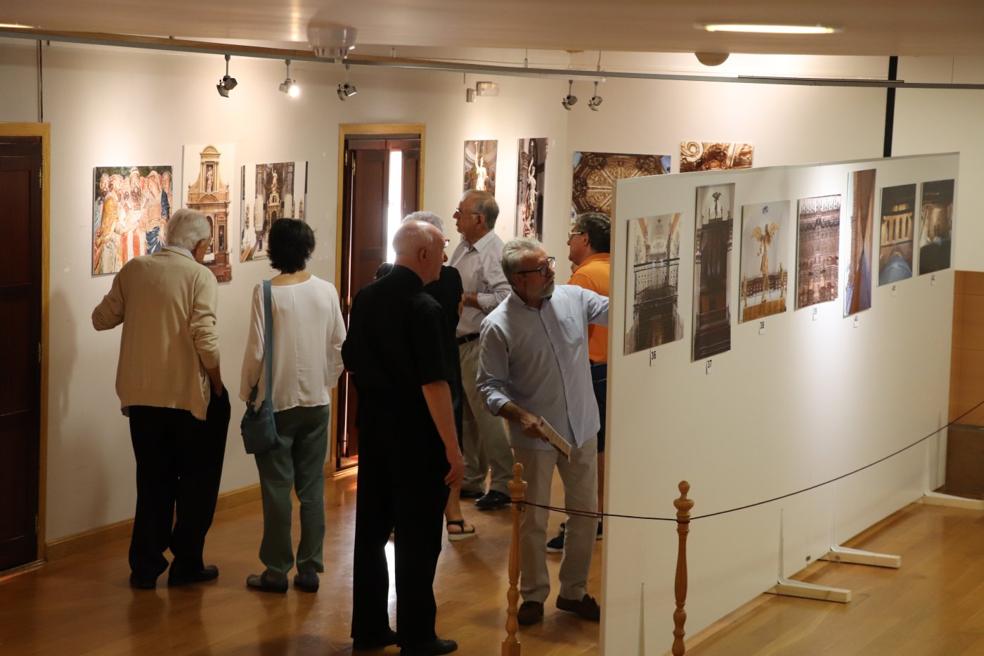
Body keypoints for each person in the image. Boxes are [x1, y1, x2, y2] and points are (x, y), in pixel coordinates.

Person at [343, 221, 465, 656]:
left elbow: (352, 361)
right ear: (425, 254)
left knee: (371, 534)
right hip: (418, 441)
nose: (446, 259)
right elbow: (434, 386)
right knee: (417, 539)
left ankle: (371, 628)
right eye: (443, 249)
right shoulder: (424, 308)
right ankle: (417, 634)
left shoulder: (366, 298)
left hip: (374, 436)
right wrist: (453, 449)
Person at [91, 208, 229, 590]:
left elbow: (101, 318)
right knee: (195, 482)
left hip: (141, 397)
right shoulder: (200, 276)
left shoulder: (136, 269)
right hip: (187, 397)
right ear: (199, 245)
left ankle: (145, 566)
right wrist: (217, 383)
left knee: (152, 481)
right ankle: (187, 562)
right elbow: (206, 336)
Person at [477, 238, 608, 626]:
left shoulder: (574, 298)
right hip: (536, 438)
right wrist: (520, 415)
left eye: (549, 263)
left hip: (582, 426)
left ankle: (574, 591)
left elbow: (618, 312)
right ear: (519, 279)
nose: (551, 271)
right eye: (541, 268)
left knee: (585, 514)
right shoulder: (498, 325)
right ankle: (533, 595)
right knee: (532, 519)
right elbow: (489, 387)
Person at [239, 218, 346, 594]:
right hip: (317, 401)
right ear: (308, 247)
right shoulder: (327, 291)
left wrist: (247, 392)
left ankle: (276, 569)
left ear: (273, 249)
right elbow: (339, 345)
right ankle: (310, 567)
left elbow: (256, 352)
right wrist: (325, 383)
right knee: (313, 488)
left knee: (276, 488)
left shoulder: (266, 293)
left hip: (277, 403)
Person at [405, 211, 476, 541]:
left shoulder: (449, 278)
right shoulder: (395, 278)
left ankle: (452, 508)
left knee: (451, 434)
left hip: (437, 363)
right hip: (433, 364)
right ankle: (450, 511)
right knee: (426, 434)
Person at [547, 212, 611, 553]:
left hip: (592, 371)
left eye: (573, 234)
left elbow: (571, 334)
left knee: (588, 452)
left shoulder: (584, 277)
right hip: (612, 370)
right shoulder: (616, 267)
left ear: (585, 239)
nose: (568, 241)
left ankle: (591, 518)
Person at [449, 190, 514, 511]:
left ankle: (503, 482)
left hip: (479, 342)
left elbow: (506, 297)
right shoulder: (463, 247)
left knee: (486, 416)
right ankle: (474, 478)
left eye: (460, 212)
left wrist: (471, 299)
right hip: (458, 343)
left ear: (479, 218)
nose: (455, 217)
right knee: (467, 418)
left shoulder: (493, 252)